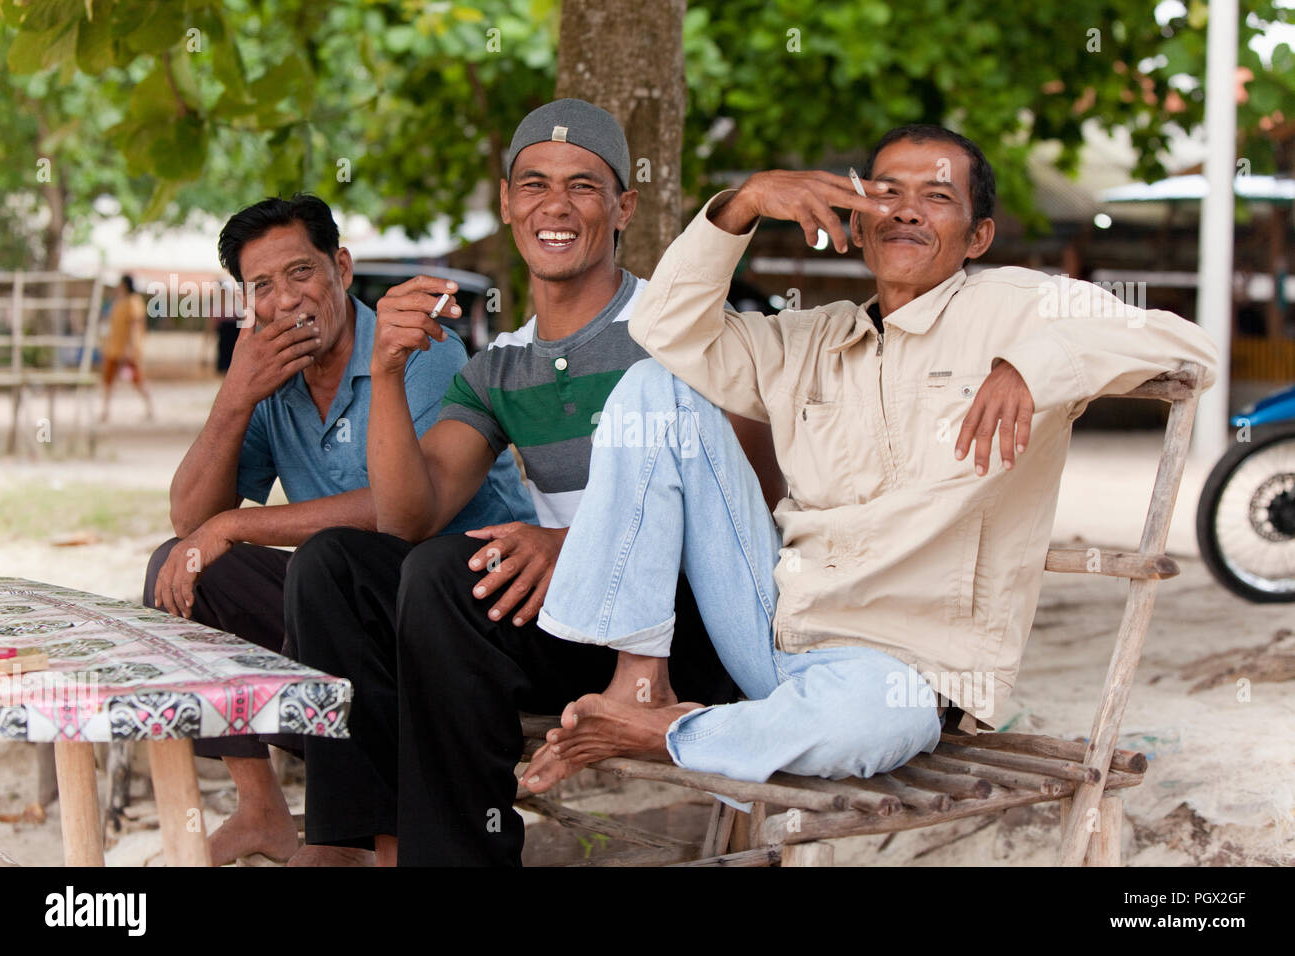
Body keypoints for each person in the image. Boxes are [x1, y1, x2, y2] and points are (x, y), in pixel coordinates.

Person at [521, 124, 1221, 798]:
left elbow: (1186, 345)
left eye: (937, 196)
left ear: (978, 236)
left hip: (900, 671)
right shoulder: (812, 338)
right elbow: (663, 329)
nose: (907, 211)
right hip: (771, 626)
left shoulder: (1019, 305)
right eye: (886, 192)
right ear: (857, 222)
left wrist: (1031, 366)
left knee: (869, 725)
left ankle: (671, 733)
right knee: (655, 385)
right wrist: (743, 205)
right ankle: (641, 681)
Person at [284, 99, 779, 866]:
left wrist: (576, 544)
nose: (556, 204)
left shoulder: (680, 324)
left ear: (624, 207)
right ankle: (364, 846)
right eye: (534, 183)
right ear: (510, 204)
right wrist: (384, 368)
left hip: (689, 631)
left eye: (583, 185)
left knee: (447, 576)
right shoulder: (500, 367)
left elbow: (749, 499)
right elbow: (410, 515)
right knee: (336, 568)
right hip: (582, 625)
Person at [141, 193, 534, 866]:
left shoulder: (413, 344)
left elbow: (398, 512)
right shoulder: (273, 376)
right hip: (337, 599)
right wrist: (236, 395)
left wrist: (240, 522)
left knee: (327, 565)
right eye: (261, 286)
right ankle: (262, 811)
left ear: (342, 269)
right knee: (181, 565)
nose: (285, 298)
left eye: (300, 272)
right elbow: (190, 518)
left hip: (456, 597)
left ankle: (354, 842)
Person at [99, 274, 154, 422]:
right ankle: (105, 411)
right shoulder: (119, 302)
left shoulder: (133, 302)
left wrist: (130, 348)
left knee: (137, 380)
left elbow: (134, 326)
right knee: (108, 380)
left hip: (127, 349)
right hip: (114, 348)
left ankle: (150, 408)